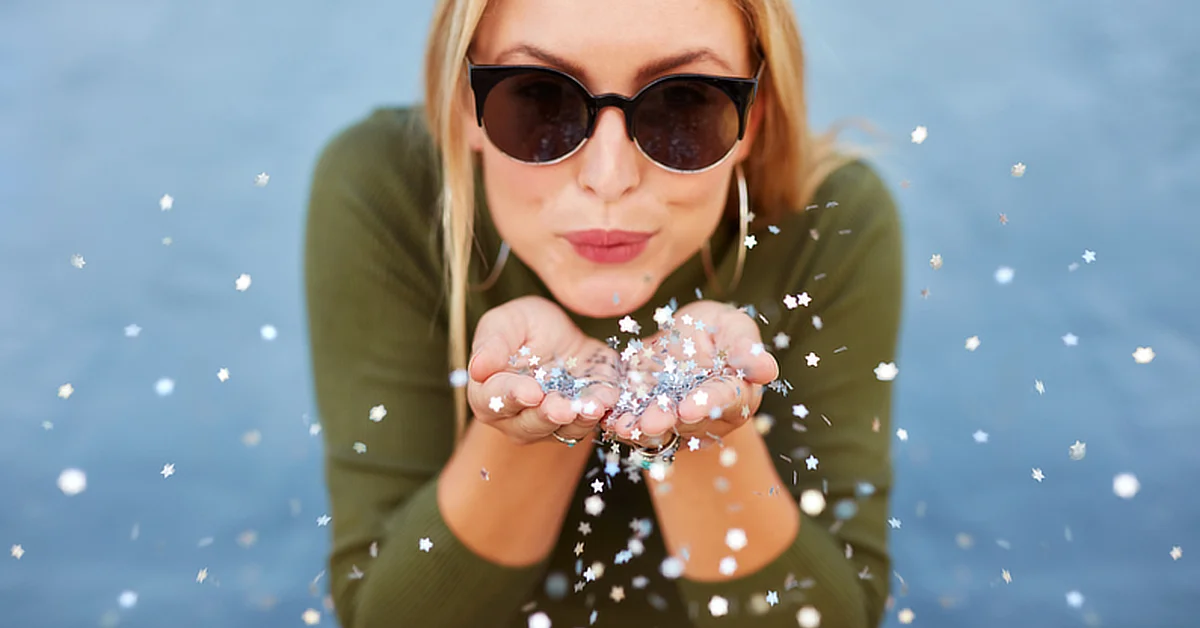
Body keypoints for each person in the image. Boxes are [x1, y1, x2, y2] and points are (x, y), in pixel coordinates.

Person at [303, 0, 904, 625]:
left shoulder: (829, 223)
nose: (609, 176)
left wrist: (699, 427)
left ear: (757, 116)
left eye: (686, 104)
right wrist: (532, 420)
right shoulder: (389, 191)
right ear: (464, 106)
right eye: (537, 98)